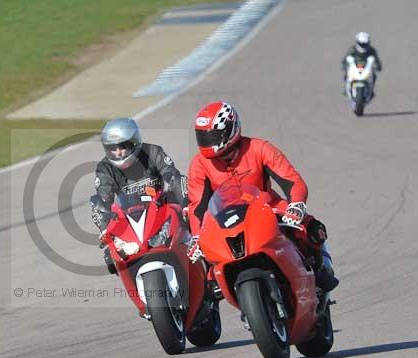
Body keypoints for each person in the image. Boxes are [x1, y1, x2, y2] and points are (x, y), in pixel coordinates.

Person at [184, 101, 338, 292]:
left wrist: (296, 204)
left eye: (213, 136)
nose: (208, 142)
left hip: (268, 206)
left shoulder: (259, 148)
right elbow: (197, 206)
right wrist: (197, 237)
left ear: (230, 129)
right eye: (203, 137)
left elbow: (292, 179)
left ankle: (320, 269)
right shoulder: (199, 165)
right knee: (204, 269)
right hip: (226, 218)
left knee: (312, 229)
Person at [90, 118, 187, 274]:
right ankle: (112, 245)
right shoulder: (105, 168)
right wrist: (107, 231)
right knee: (96, 203)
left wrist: (183, 205)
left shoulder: (153, 152)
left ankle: (197, 236)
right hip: (131, 216)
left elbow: (172, 176)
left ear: (134, 142)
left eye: (123, 146)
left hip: (162, 208)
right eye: (112, 148)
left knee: (181, 181)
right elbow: (103, 199)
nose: (118, 152)